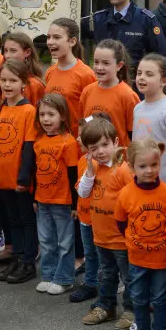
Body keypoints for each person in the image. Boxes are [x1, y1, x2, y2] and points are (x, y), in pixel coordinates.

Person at [116, 138, 166, 330]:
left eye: (154, 165)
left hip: (163, 258)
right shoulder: (126, 193)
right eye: (142, 166)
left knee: (160, 298)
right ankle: (141, 329)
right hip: (137, 257)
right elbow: (121, 222)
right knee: (138, 296)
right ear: (131, 167)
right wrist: (136, 241)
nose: (149, 170)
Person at [76, 115, 134, 328]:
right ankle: (106, 306)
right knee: (106, 274)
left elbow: (134, 199)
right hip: (101, 236)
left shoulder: (123, 169)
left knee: (129, 277)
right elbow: (83, 193)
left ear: (116, 143)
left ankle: (131, 310)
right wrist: (90, 172)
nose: (100, 151)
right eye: (93, 148)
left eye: (104, 145)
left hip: (121, 237)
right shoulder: (91, 166)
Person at [0, 61, 37, 285]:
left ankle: (28, 261)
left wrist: (24, 178)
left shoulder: (29, 111)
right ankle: (16, 257)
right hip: (1, 179)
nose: (7, 84)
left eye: (13, 80)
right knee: (12, 220)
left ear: (24, 83)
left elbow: (28, 147)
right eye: (4, 80)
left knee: (26, 220)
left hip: (18, 180)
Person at [33, 93, 79, 295]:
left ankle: (64, 278)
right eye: (42, 114)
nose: (46, 119)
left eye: (51, 114)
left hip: (63, 201)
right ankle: (49, 274)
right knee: (46, 240)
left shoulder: (68, 143)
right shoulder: (39, 141)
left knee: (64, 242)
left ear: (62, 116)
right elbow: (37, 172)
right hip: (43, 200)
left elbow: (73, 174)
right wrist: (34, 196)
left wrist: (75, 204)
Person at [92, 0, 166, 68]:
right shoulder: (99, 18)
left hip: (132, 80)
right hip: (105, 80)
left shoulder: (145, 19)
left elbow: (161, 56)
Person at [132, 55, 166, 189]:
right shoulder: (138, 108)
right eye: (139, 73)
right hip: (141, 179)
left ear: (164, 81)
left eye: (149, 74)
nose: (142, 77)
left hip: (165, 182)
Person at [45, 17, 96, 135]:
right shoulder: (50, 72)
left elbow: (93, 114)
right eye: (48, 37)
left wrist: (82, 133)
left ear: (72, 41)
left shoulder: (86, 74)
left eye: (56, 37)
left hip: (76, 143)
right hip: (54, 142)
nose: (50, 42)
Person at [79, 37, 136, 145]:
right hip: (91, 157)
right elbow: (84, 122)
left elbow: (133, 133)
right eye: (96, 62)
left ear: (119, 66)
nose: (99, 67)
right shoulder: (87, 91)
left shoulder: (128, 95)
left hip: (117, 158)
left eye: (105, 63)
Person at [72, 126, 99, 304]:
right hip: (85, 218)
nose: (77, 139)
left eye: (82, 135)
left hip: (101, 220)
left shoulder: (103, 163)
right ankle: (90, 283)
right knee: (89, 253)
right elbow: (81, 190)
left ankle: (103, 284)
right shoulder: (83, 160)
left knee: (104, 256)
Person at [2, 30, 46, 108]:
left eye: (13, 51)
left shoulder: (34, 85)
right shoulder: (5, 79)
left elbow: (38, 116)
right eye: (5, 51)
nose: (7, 55)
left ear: (27, 52)